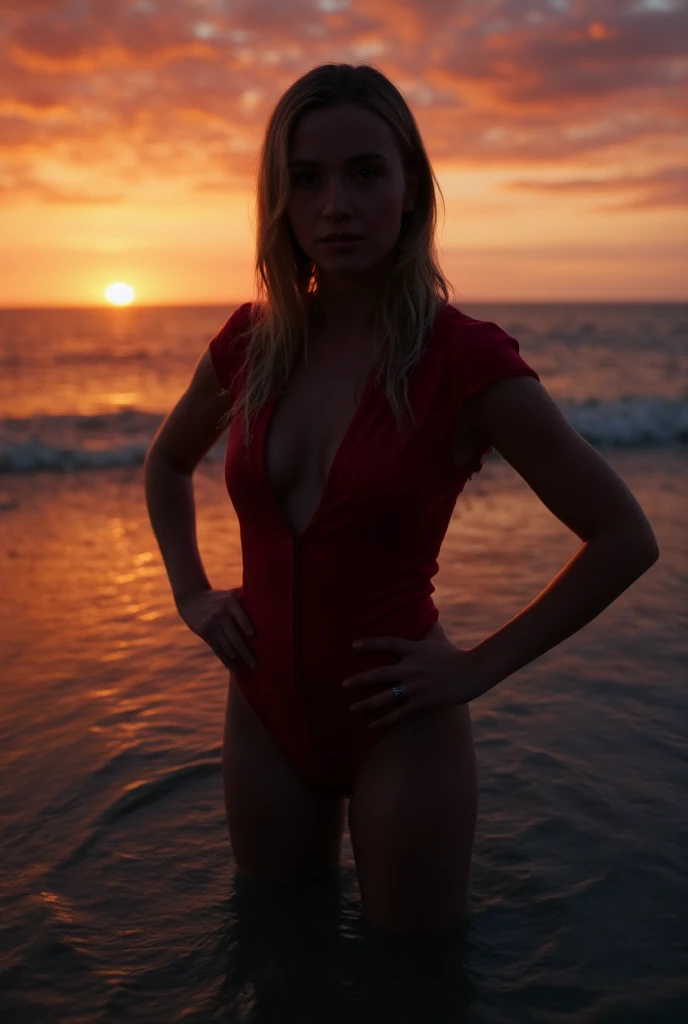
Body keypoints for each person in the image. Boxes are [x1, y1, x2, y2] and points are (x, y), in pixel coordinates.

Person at [143, 63, 659, 942]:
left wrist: (476, 668)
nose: (334, 203)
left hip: (403, 724)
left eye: (365, 173)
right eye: (306, 179)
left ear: (412, 188)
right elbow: (165, 464)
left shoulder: (467, 363)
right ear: (279, 198)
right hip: (262, 711)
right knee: (277, 954)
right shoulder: (249, 344)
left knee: (412, 981)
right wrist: (192, 594)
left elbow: (623, 537)